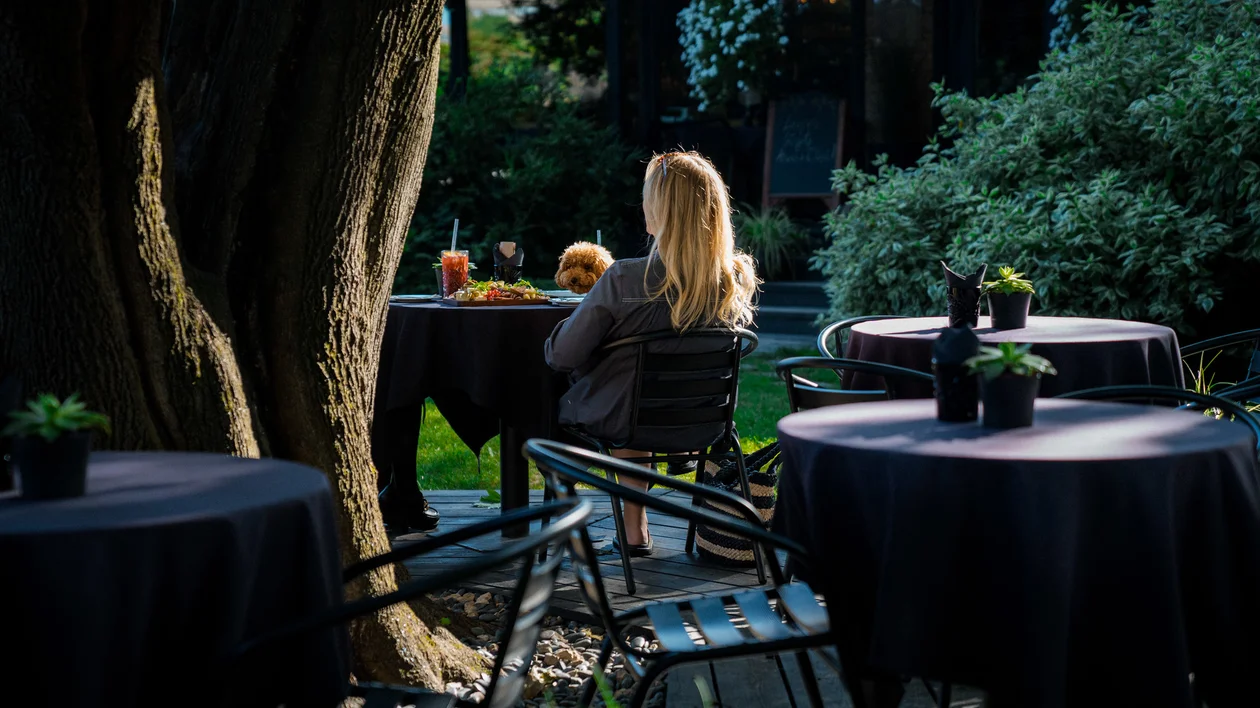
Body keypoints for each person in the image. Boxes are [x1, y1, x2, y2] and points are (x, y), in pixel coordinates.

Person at [544, 151, 758, 555]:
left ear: (659, 209)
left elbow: (561, 356)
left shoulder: (623, 278)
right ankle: (633, 530)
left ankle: (584, 539)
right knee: (635, 393)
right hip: (702, 424)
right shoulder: (733, 281)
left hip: (624, 419)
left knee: (610, 400)